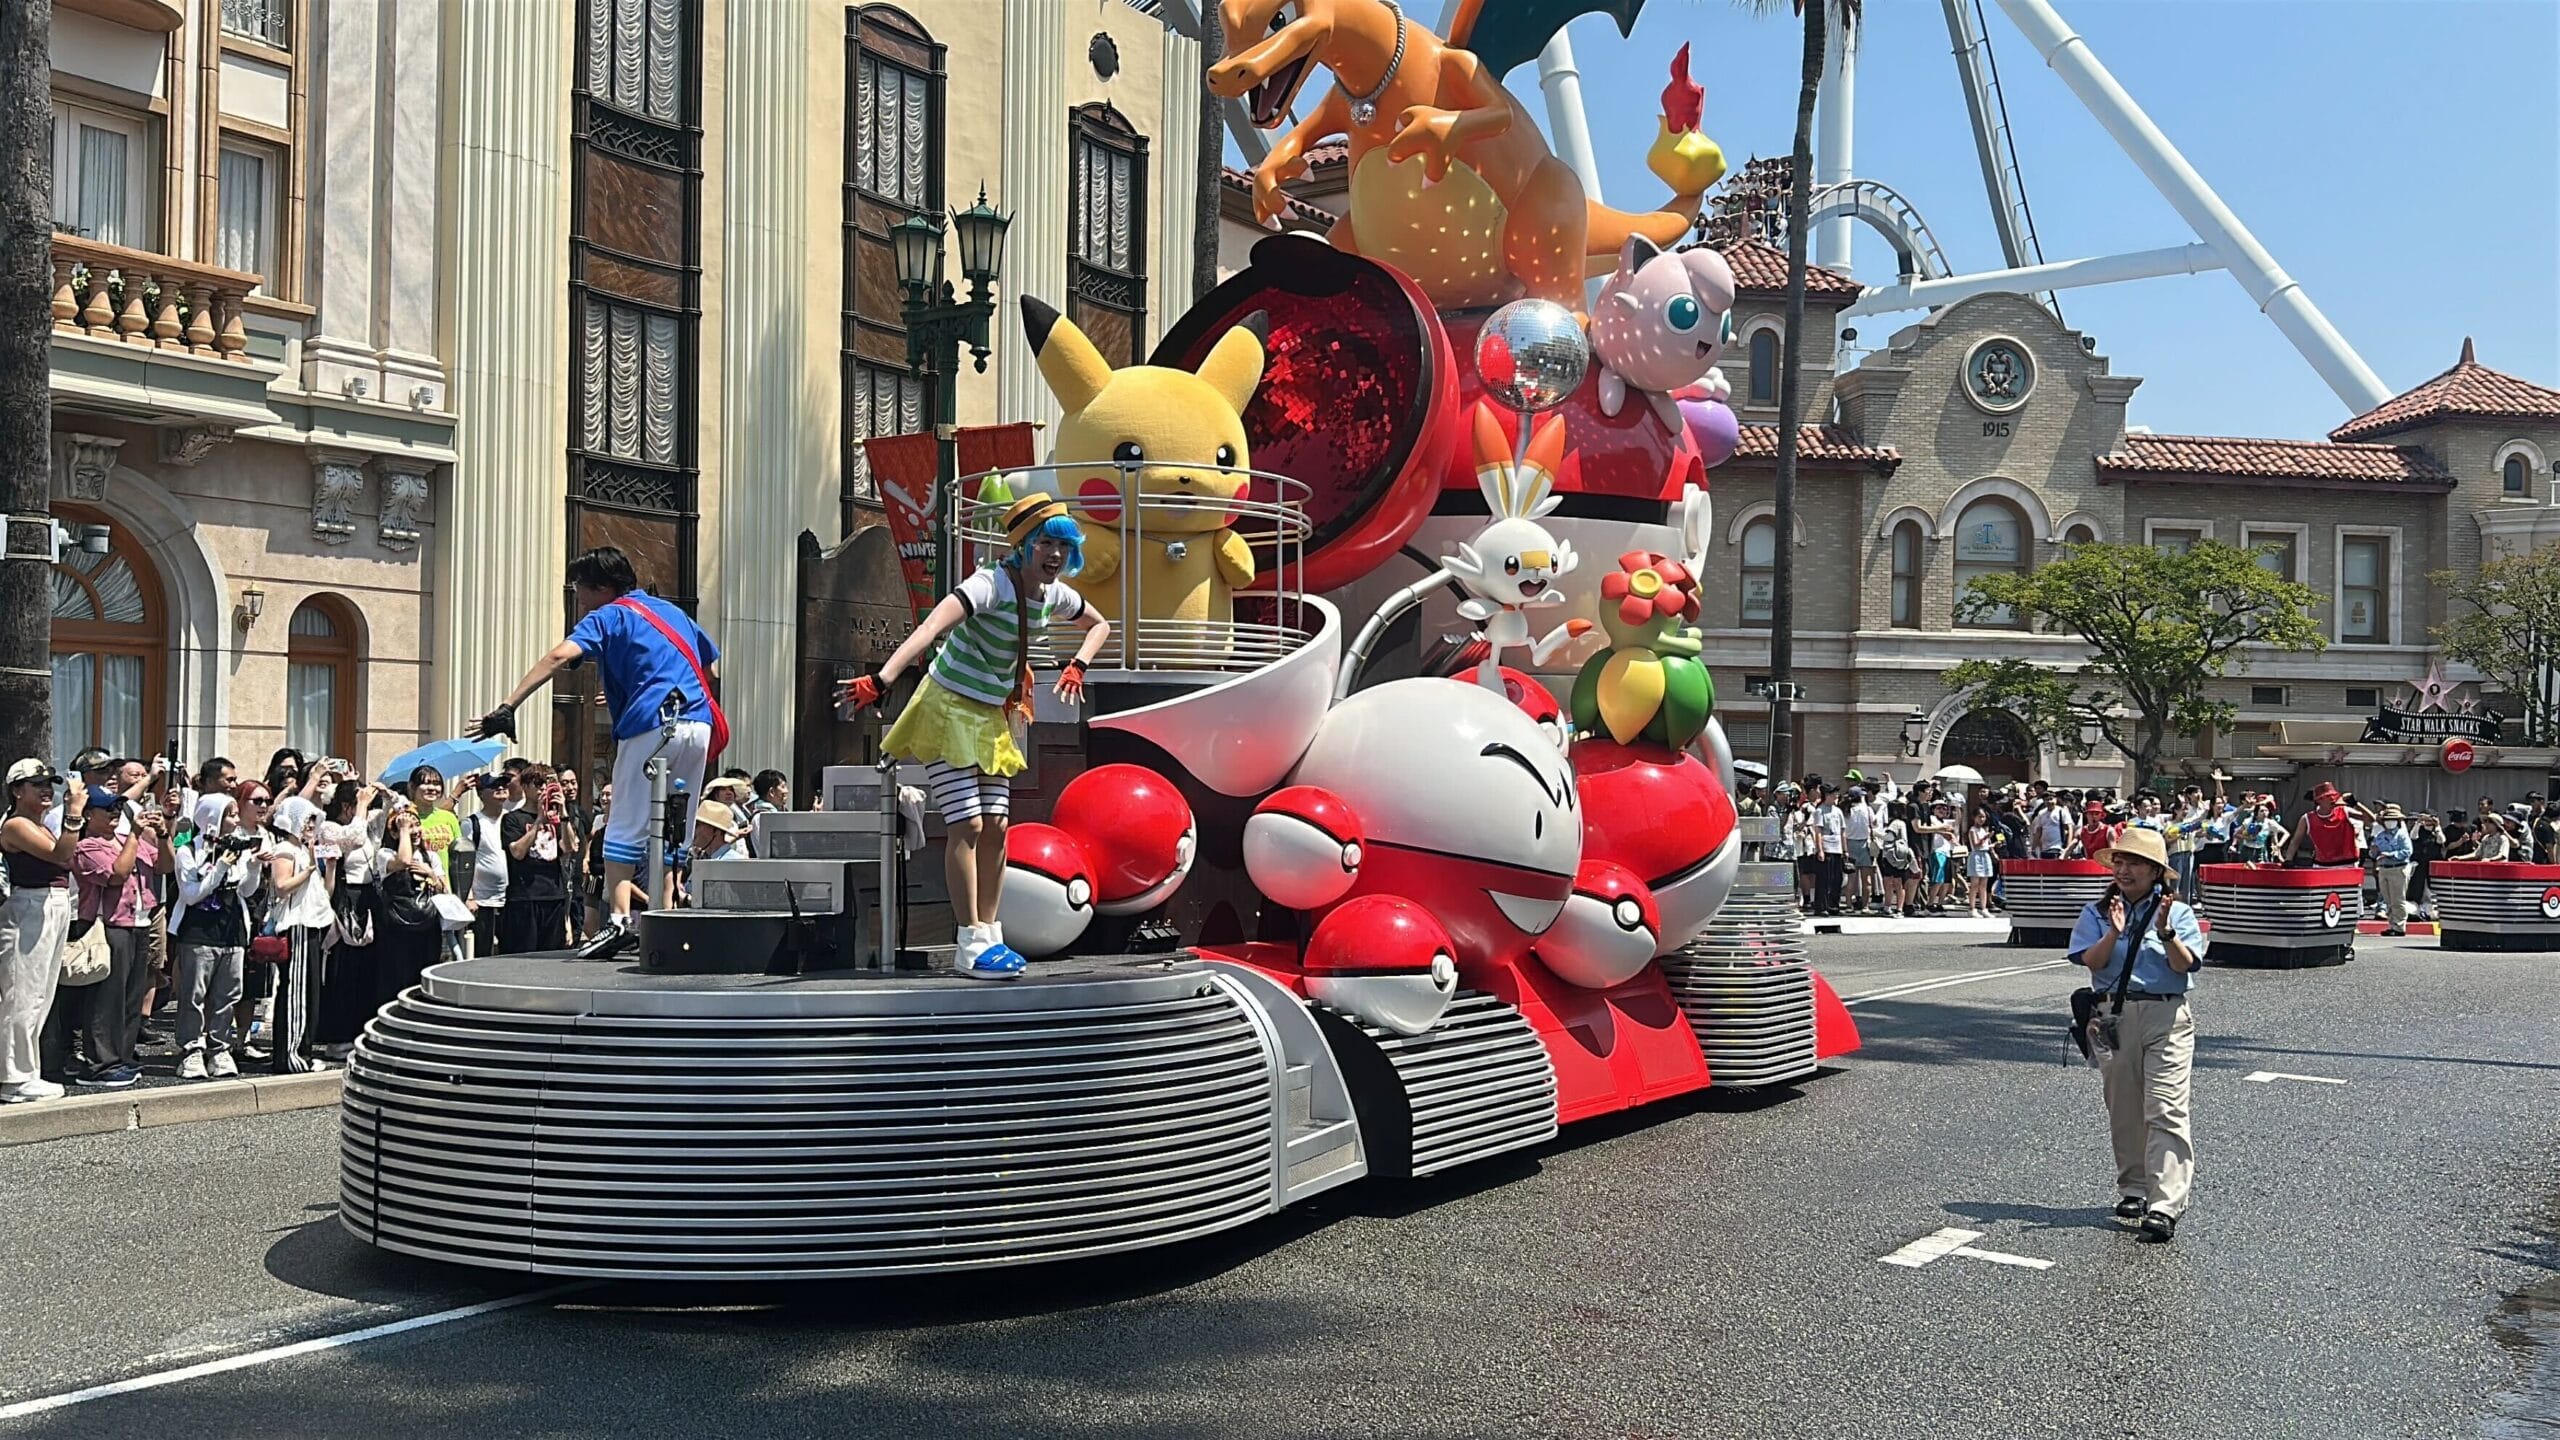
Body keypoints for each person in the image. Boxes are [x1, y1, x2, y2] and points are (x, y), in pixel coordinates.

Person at [843, 493, 1111, 977]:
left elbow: (1100, 624)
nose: (1054, 555)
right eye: (1045, 543)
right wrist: (881, 680)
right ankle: (968, 939)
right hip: (946, 709)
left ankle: (990, 932)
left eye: (1062, 546)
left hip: (989, 717)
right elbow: (929, 630)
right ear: (1025, 545)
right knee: (966, 824)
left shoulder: (1055, 595)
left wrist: (1079, 665)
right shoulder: (991, 585)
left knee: (998, 826)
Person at [469, 545, 726, 926]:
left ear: (602, 587)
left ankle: (620, 921)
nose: (579, 599)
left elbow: (558, 656)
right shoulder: (672, 612)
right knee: (676, 827)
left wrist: (508, 706)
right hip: (697, 724)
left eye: (580, 589)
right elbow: (710, 667)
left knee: (622, 824)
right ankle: (668, 916)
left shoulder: (609, 615)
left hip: (651, 726)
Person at [2068, 825, 2204, 1243]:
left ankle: (2165, 1204)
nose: (2124, 870)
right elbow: (2090, 962)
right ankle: (2133, 1188)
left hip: (2166, 1015)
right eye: (2120, 863)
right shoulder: (2096, 911)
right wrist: (2113, 930)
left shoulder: (2177, 912)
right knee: (2124, 1106)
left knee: (2165, 1107)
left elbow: (2184, 966)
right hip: (2113, 1014)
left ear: (2154, 871)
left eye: (2134, 864)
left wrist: (2165, 932)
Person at [69, 784, 170, 1088]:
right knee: (106, 998)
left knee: (131, 996)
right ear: (89, 815)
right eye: (108, 809)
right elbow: (117, 874)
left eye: (117, 808)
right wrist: (137, 837)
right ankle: (100, 1062)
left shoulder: (127, 839)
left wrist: (163, 834)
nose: (115, 814)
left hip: (139, 922)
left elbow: (165, 866)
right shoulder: (87, 846)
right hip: (109, 925)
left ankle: (122, 1056)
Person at [2, 761, 87, 1103]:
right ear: (16, 790)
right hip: (28, 907)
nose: (45, 789)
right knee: (23, 992)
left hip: (50, 905)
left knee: (41, 994)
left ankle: (26, 1070)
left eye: (47, 783)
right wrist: (74, 813)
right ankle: (14, 1077)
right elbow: (62, 853)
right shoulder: (15, 825)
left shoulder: (39, 825)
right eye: (35, 784)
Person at [169, 792, 264, 1080]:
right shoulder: (189, 851)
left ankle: (219, 1047)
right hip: (199, 930)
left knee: (228, 994)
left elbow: (246, 890)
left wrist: (254, 865)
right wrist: (221, 865)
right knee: (194, 994)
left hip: (232, 929)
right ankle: (191, 1049)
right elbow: (191, 894)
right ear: (213, 818)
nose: (236, 820)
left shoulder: (235, 849)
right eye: (231, 815)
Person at [261, 796, 334, 1073]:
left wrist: (323, 865)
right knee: (296, 992)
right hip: (297, 926)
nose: (311, 826)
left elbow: (319, 893)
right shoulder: (286, 849)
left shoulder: (303, 849)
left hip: (311, 924)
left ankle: (303, 1049)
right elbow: (282, 886)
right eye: (307, 820)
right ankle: (290, 1055)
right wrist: (309, 869)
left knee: (310, 991)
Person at [501, 765, 579, 953]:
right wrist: (539, 820)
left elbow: (570, 848)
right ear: (525, 787)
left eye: (547, 784)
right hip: (524, 898)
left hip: (554, 896)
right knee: (523, 954)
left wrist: (563, 814)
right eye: (537, 784)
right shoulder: (513, 819)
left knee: (551, 954)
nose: (543, 789)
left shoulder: (558, 819)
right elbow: (517, 852)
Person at [457, 774, 512, 956]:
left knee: (510, 952)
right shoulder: (471, 823)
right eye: (494, 785)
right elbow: (465, 861)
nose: (501, 788)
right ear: (481, 793)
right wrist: (469, 896)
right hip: (482, 900)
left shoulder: (512, 819)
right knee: (482, 951)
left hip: (511, 898)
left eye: (504, 784)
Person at [2283, 782, 2363, 868]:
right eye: (2328, 796)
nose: (2332, 798)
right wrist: (2288, 859)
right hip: (2322, 865)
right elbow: (2296, 841)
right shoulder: (2307, 818)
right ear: (2318, 800)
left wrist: (2356, 804)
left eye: (2334, 795)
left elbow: (2371, 819)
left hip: (2347, 864)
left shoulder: (2344, 811)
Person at [2368, 804, 2414, 935]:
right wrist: (2373, 851)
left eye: (2392, 820)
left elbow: (2407, 851)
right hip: (2383, 869)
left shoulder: (2402, 835)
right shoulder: (2380, 836)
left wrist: (2390, 854)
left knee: (2398, 899)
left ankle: (2399, 927)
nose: (2390, 822)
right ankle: (2392, 924)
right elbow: (2374, 853)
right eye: (2387, 820)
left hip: (2398, 868)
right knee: (2387, 899)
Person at [2409, 812, 2444, 922]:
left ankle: (2430, 911)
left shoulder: (2436, 833)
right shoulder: (2419, 831)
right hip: (2419, 865)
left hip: (2432, 866)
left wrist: (2437, 826)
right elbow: (2413, 836)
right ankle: (2415, 910)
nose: (2428, 823)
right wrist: (2418, 823)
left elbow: (2442, 840)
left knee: (2430, 890)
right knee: (2416, 888)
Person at [1965, 806, 1998, 918]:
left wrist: (1993, 845)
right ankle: (1972, 908)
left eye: (1983, 817)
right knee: (1975, 884)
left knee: (1984, 884)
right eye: (1979, 817)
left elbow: (1985, 845)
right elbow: (1975, 844)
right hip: (1976, 856)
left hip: (1985, 855)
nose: (1982, 819)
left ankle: (1984, 908)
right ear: (1974, 817)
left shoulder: (1984, 829)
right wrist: (1985, 838)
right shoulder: (1972, 830)